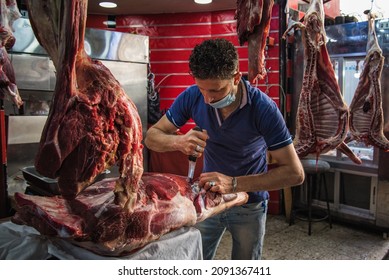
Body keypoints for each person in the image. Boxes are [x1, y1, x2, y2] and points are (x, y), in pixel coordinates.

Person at [144, 38, 304, 260]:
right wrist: (178, 142)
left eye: (216, 90)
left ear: (236, 77)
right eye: (203, 89)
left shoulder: (263, 108)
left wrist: (234, 184)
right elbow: (151, 137)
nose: (208, 99)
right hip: (208, 200)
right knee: (195, 262)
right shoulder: (192, 96)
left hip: (250, 204)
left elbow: (295, 173)